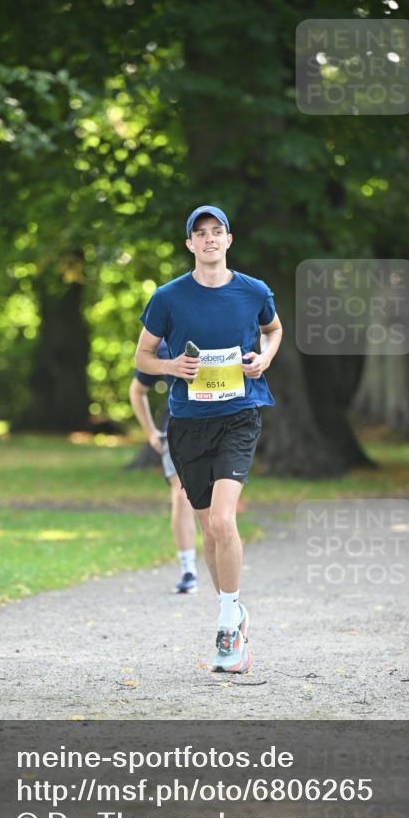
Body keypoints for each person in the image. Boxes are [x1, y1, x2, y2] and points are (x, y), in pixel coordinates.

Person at [135, 205, 283, 673]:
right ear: (190, 245)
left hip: (240, 415)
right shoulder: (168, 297)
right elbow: (142, 355)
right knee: (208, 527)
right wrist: (170, 366)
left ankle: (226, 619)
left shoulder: (253, 290)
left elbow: (273, 330)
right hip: (187, 423)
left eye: (217, 232)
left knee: (223, 520)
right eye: (201, 234)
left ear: (229, 240)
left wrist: (265, 358)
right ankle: (234, 612)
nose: (210, 239)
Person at [129, 340, 199, 594]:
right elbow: (137, 390)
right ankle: (188, 569)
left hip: (224, 430)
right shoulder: (164, 345)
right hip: (178, 430)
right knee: (182, 494)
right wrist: (150, 432)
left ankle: (224, 568)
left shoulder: (225, 324)